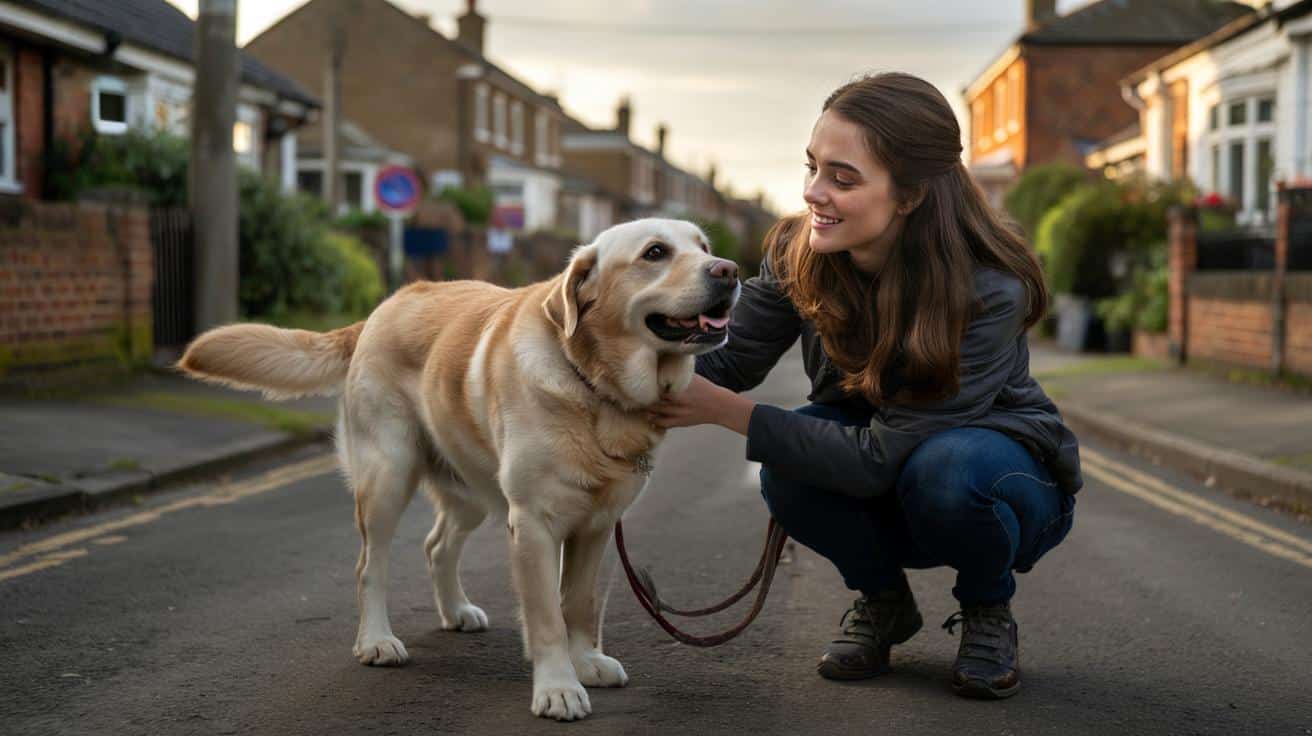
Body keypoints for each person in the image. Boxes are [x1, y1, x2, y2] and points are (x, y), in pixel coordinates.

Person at [650, 72, 1081, 700]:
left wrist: (725, 413)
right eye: (813, 167)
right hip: (897, 478)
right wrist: (627, 364)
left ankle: (988, 610)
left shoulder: (988, 289)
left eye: (842, 178)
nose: (813, 193)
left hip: (1000, 482)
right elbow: (729, 360)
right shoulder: (802, 251)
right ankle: (884, 602)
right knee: (788, 465)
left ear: (908, 196)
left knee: (945, 468)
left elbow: (883, 460)